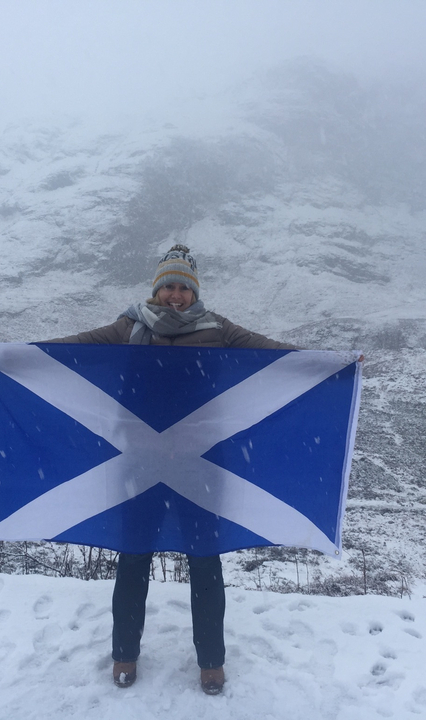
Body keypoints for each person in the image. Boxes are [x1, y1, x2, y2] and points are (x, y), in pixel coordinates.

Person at [47, 244, 295, 695]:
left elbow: (274, 354)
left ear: (194, 290)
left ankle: (211, 663)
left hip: (201, 465)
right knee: (134, 558)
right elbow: (72, 347)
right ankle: (124, 655)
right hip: (140, 461)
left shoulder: (218, 329)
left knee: (204, 563)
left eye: (183, 287)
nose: (175, 296)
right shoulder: (130, 327)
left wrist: (330, 364)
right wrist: (6, 355)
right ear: (156, 290)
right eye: (168, 288)